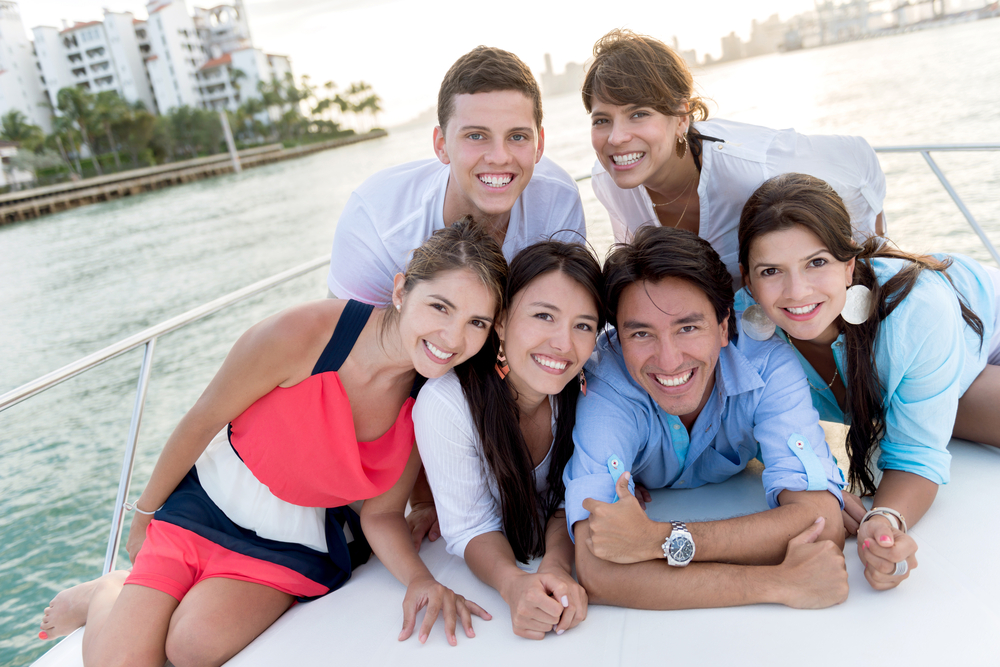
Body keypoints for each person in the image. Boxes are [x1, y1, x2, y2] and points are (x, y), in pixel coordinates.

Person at [37, 220, 507, 666]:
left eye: (477, 323)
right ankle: (108, 591)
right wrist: (144, 514)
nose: (452, 337)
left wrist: (420, 581)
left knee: (190, 649)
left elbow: (382, 515)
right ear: (402, 291)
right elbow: (203, 419)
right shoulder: (301, 335)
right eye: (440, 307)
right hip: (209, 502)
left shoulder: (428, 400)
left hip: (298, 540)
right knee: (120, 661)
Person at [564, 225, 850, 611]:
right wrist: (778, 583)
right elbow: (598, 569)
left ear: (723, 327)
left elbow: (820, 523)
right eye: (641, 334)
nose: (669, 360)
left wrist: (656, 540)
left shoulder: (766, 365)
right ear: (617, 338)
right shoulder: (607, 381)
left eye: (688, 327)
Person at [736, 172, 1000, 591]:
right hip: (939, 358)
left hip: (977, 321)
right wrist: (818, 486)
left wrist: (888, 516)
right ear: (748, 281)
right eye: (771, 271)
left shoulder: (915, 314)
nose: (797, 291)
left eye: (816, 262)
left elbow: (916, 452)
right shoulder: (745, 330)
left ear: (849, 266)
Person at [583, 28, 886, 286]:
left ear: (681, 117)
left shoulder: (754, 168)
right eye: (601, 120)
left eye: (638, 114)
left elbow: (858, 162)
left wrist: (861, 253)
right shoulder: (607, 180)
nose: (616, 138)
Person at [414, 241, 603, 639]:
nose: (564, 344)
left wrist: (555, 565)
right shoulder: (448, 403)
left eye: (583, 325)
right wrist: (514, 584)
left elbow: (566, 497)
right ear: (500, 321)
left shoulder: (588, 385)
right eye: (543, 316)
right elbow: (470, 526)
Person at [327, 45, 586, 304]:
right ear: (441, 145)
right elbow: (345, 337)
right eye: (476, 136)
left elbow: (563, 319)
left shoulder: (558, 199)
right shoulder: (377, 219)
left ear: (539, 145)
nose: (499, 157)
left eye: (517, 136)